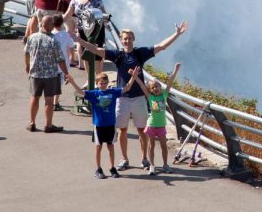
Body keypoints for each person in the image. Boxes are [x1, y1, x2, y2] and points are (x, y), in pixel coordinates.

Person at [76, 22, 189, 171]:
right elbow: (96, 50)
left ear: (133, 39)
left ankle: (144, 159)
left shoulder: (140, 53)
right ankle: (124, 159)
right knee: (122, 130)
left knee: (142, 130)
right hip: (122, 97)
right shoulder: (117, 55)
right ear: (121, 40)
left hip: (139, 98)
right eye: (124, 38)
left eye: (129, 38)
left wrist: (177, 34)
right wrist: (78, 40)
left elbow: (162, 46)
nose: (127, 41)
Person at [76, 71, 144, 179]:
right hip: (98, 126)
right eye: (100, 83)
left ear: (107, 82)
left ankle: (112, 168)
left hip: (110, 125)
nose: (102, 85)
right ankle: (98, 169)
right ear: (97, 84)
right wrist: (71, 81)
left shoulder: (113, 92)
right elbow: (80, 92)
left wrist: (133, 76)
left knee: (110, 146)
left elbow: (126, 88)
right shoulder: (94, 94)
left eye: (104, 83)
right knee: (98, 147)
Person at [23, 15, 73, 133]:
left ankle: (32, 123)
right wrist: (66, 73)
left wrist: (27, 65)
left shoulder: (32, 37)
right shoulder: (53, 41)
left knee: (34, 98)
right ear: (51, 26)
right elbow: (60, 59)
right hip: (50, 75)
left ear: (41, 25)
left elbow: (26, 53)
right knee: (49, 100)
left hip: (35, 73)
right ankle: (48, 125)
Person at [131, 62, 180, 175]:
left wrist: (175, 71)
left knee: (163, 146)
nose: (155, 88)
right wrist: (135, 77)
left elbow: (170, 83)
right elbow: (142, 86)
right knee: (151, 145)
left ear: (160, 87)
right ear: (151, 89)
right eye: (153, 87)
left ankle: (165, 165)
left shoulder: (164, 95)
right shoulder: (150, 97)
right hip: (152, 125)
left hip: (161, 125)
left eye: (157, 86)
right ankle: (152, 165)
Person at [64, 0, 106, 73]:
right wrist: (58, 22)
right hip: (82, 30)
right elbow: (68, 13)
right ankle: (89, 78)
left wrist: (106, 21)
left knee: (97, 54)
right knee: (85, 54)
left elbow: (103, 13)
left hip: (96, 31)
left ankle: (98, 77)